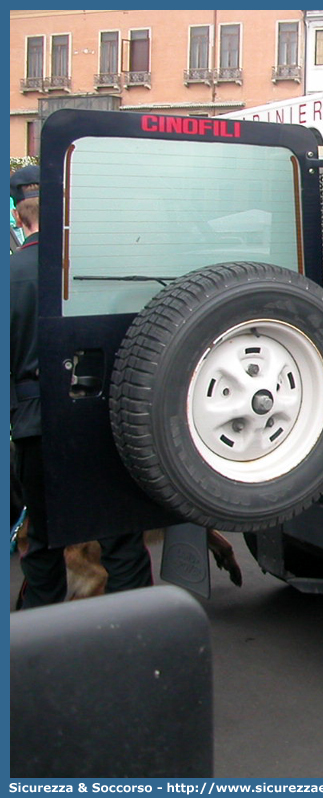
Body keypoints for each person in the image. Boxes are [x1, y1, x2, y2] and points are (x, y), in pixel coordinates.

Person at [10, 165, 154, 609]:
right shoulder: (96, 268)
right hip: (98, 418)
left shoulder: (10, 272)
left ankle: (42, 645)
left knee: (45, 543)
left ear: (19, 216)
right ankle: (139, 636)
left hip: (35, 424)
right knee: (120, 535)